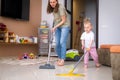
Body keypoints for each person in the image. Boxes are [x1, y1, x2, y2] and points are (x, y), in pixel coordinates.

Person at [47, 0, 70, 66]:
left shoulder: (61, 7)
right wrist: (54, 26)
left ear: (57, 1)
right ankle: (60, 58)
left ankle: (62, 59)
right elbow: (56, 19)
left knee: (62, 42)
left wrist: (55, 27)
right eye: (50, 2)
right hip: (58, 27)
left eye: (53, 2)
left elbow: (63, 20)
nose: (52, 4)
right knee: (57, 44)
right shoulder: (53, 9)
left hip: (65, 26)